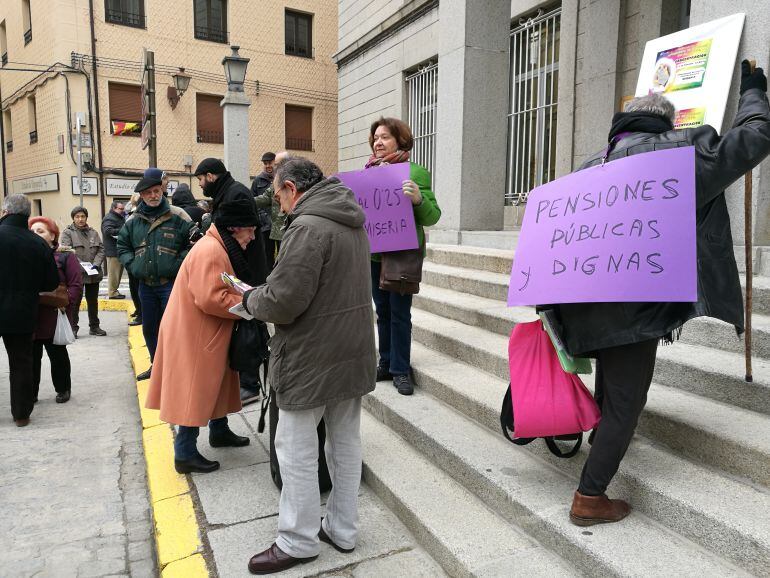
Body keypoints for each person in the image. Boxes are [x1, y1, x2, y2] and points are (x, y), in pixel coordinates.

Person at [548, 61, 770, 526]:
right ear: (667, 121)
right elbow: (755, 137)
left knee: (612, 382)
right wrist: (753, 91)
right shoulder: (681, 152)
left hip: (582, 300)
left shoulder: (588, 168)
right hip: (636, 305)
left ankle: (600, 440)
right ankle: (590, 497)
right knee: (628, 399)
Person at [243, 158, 376, 574]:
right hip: (351, 347)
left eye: (278, 195)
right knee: (345, 442)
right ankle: (342, 529)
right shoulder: (350, 218)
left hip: (312, 354)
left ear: (289, 188)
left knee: (296, 448)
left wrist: (250, 300)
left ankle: (298, 540)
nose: (278, 205)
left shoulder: (307, 226)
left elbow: (284, 300)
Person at [145, 199, 259, 473]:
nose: (253, 236)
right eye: (251, 230)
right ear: (235, 228)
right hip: (195, 333)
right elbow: (211, 298)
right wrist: (251, 305)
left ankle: (219, 431)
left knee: (215, 384)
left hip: (201, 330)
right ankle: (184, 453)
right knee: (193, 390)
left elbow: (222, 285)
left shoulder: (216, 245)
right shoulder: (211, 250)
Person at [365, 117, 441, 395]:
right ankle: (385, 361)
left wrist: (418, 199)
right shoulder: (367, 171)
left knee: (399, 313)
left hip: (401, 254)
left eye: (385, 136)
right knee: (382, 311)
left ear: (400, 140)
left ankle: (401, 369)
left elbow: (433, 216)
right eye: (375, 137)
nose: (378, 142)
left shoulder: (416, 172)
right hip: (374, 255)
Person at [195, 157, 268, 404]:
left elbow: (243, 235)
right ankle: (246, 380)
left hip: (245, 273)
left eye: (201, 180)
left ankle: (250, 383)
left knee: (248, 329)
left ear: (211, 176)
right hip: (239, 272)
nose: (201, 185)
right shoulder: (229, 191)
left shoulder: (235, 193)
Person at [117, 168, 195, 381]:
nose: (153, 195)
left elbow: (194, 243)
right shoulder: (133, 220)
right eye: (148, 192)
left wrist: (178, 264)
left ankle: (176, 370)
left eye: (156, 191)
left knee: (174, 329)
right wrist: (132, 266)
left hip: (171, 284)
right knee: (150, 328)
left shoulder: (178, 215)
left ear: (162, 191)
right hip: (146, 286)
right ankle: (157, 367)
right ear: (141, 195)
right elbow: (122, 245)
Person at [0, 195, 59, 426]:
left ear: (5, 211)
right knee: (21, 362)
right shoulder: (37, 243)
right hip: (22, 311)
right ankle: (21, 414)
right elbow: (50, 283)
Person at [28, 217, 83, 404]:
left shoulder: (65, 255)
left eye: (40, 231)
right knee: (31, 359)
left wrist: (66, 303)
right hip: (32, 315)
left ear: (53, 235)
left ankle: (63, 389)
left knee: (58, 356)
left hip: (55, 314)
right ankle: (31, 393)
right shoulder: (25, 255)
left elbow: (76, 284)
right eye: (32, 231)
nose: (35, 235)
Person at [60, 206, 107, 337]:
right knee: (75, 301)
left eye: (83, 216)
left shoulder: (93, 232)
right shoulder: (67, 233)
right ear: (73, 218)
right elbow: (68, 251)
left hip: (93, 273)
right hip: (76, 274)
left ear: (86, 217)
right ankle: (73, 327)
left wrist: (96, 265)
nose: (80, 219)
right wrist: (82, 266)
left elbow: (101, 250)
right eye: (77, 217)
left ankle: (94, 327)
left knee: (93, 301)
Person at [254, 151, 290, 270]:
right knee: (270, 257)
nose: (274, 167)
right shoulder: (276, 180)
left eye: (276, 164)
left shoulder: (294, 178)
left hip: (289, 227)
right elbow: (265, 198)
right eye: (276, 164)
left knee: (285, 258)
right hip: (275, 227)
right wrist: (245, 200)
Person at [251, 152, 278, 268]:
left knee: (283, 253)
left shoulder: (281, 179)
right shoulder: (257, 181)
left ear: (275, 163)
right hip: (265, 225)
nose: (268, 166)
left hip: (280, 224)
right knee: (267, 255)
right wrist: (263, 218)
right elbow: (253, 202)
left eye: (270, 163)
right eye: (265, 163)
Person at [101, 200, 127, 300]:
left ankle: (114, 291)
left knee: (117, 273)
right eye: (120, 209)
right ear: (114, 208)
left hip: (118, 250)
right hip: (113, 250)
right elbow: (108, 231)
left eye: (123, 209)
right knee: (114, 274)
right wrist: (124, 230)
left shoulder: (117, 217)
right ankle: (112, 293)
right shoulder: (109, 218)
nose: (122, 211)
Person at [124, 193, 143, 327]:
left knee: (137, 289)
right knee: (136, 289)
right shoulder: (131, 219)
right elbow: (124, 243)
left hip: (139, 261)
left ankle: (141, 313)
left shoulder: (131, 218)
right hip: (135, 261)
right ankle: (140, 312)